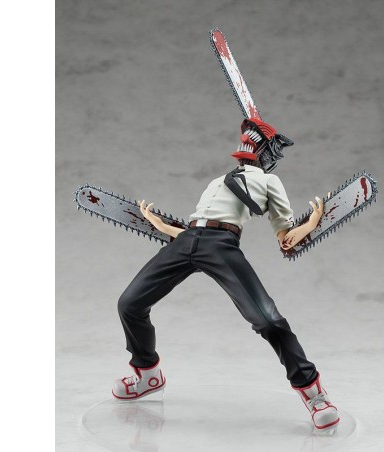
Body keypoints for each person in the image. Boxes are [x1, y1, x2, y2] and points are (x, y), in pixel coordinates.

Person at [112, 117, 339, 430]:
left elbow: (285, 238)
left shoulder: (270, 182)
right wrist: (160, 224)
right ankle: (148, 374)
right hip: (188, 239)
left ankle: (314, 393)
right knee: (130, 304)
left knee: (268, 320)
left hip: (221, 244)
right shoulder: (216, 181)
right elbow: (199, 224)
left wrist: (313, 222)